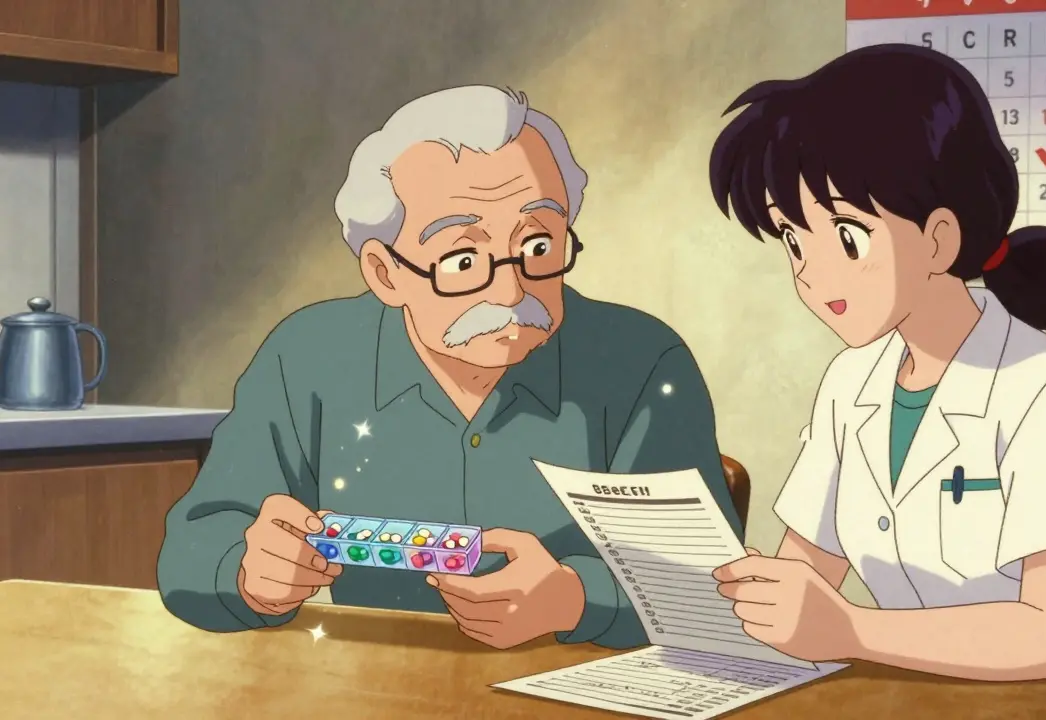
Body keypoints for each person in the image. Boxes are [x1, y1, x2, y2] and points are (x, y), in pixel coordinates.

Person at [156, 85, 740, 650]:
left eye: (538, 246)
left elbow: (701, 588)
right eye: (463, 258)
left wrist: (572, 598)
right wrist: (246, 574)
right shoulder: (308, 355)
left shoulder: (639, 361)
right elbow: (190, 549)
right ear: (386, 272)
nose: (512, 290)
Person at [706, 44, 1046, 681]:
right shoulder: (850, 381)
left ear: (939, 237)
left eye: (847, 236)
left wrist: (848, 627)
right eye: (793, 240)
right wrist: (756, 596)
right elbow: (806, 573)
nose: (809, 272)